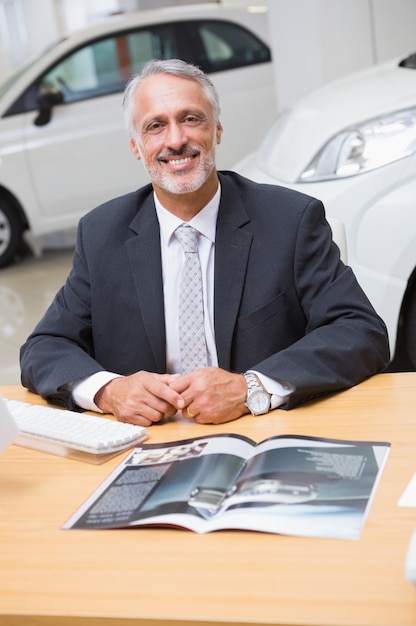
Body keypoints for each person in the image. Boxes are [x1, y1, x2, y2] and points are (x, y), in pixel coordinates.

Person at [20, 59, 390, 427]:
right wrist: (109, 391)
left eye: (191, 119)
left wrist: (251, 389)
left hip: (265, 434)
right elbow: (44, 347)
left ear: (217, 129)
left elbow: (360, 331)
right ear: (136, 145)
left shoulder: (289, 220)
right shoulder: (101, 234)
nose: (176, 139)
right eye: (155, 126)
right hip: (148, 444)